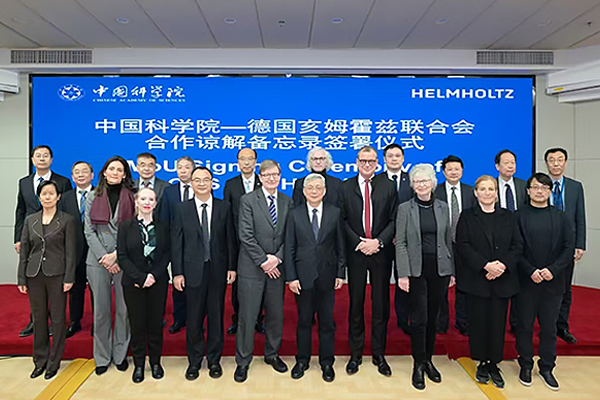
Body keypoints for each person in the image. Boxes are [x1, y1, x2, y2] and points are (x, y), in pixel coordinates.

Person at [456, 175, 523, 389]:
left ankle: (494, 363)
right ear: (476, 193)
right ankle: (482, 363)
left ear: (496, 193)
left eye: (491, 189)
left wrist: (501, 266)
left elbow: (517, 245)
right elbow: (463, 245)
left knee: (497, 323)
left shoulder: (508, 216)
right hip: (477, 279)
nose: (487, 193)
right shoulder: (467, 216)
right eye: (483, 189)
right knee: (478, 323)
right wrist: (485, 265)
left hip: (502, 279)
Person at [172, 167, 236, 381]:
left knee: (216, 317)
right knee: (194, 317)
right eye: (197, 180)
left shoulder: (224, 207)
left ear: (212, 182)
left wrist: (232, 267)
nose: (201, 183)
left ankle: (214, 360)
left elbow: (230, 240)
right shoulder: (182, 209)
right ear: (191, 183)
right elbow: (177, 242)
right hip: (192, 271)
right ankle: (195, 361)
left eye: (205, 180)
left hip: (218, 270)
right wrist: (177, 273)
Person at [395, 164, 454, 390]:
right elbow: (400, 243)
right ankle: (418, 363)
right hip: (416, 270)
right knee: (419, 318)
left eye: (425, 181)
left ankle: (429, 360)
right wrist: (403, 274)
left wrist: (451, 270)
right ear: (413, 185)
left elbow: (448, 240)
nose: (421, 185)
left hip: (439, 269)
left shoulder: (442, 207)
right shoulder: (405, 208)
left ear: (432, 183)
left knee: (433, 318)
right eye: (417, 182)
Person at [234, 160, 293, 383]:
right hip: (252, 268)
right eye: (267, 175)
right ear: (260, 177)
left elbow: (290, 235)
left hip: (277, 268)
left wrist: (276, 258)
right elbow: (245, 235)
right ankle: (243, 360)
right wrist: (263, 261)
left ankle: (272, 354)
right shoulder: (248, 200)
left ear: (280, 176)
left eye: (275, 174)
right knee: (247, 316)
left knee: (276, 315)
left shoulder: (287, 201)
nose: (271, 178)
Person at [340, 146, 397, 377]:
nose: (367, 165)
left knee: (380, 304)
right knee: (356, 303)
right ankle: (355, 354)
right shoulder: (346, 187)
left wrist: (378, 242)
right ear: (356, 161)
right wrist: (359, 242)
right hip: (356, 253)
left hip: (380, 252)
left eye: (371, 161)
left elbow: (394, 219)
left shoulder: (388, 186)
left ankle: (378, 354)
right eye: (363, 161)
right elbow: (342, 220)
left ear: (377, 163)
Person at [515, 173, 575, 391]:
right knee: (524, 326)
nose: (539, 191)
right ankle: (525, 364)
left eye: (544, 188)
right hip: (526, 281)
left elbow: (568, 248)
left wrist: (552, 270)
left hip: (553, 281)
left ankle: (547, 367)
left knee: (549, 328)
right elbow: (515, 248)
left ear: (550, 192)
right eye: (535, 187)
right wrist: (530, 270)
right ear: (528, 191)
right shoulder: (518, 216)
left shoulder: (562, 217)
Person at [285, 173, 346, 382]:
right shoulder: (294, 214)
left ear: (325, 191)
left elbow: (340, 246)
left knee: (327, 322)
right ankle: (302, 360)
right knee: (304, 321)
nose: (314, 191)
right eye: (310, 188)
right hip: (303, 277)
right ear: (303, 191)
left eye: (318, 188)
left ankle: (327, 362)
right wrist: (291, 277)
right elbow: (290, 247)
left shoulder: (335, 213)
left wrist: (340, 272)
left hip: (328, 276)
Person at [17, 180, 76, 379]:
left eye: (51, 193)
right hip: (34, 274)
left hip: (58, 274)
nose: (48, 197)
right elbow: (25, 250)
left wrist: (69, 277)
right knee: (38, 317)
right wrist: (21, 278)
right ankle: (40, 360)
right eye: (44, 194)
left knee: (58, 319)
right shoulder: (30, 220)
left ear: (58, 197)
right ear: (39, 197)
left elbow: (71, 252)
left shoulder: (67, 220)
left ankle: (53, 362)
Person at [84, 156, 136, 375]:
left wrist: (117, 255)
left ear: (124, 175)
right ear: (104, 172)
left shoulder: (132, 197)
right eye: (111, 169)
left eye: (119, 170)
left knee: (124, 310)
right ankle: (102, 357)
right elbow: (88, 230)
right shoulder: (91, 196)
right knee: (101, 311)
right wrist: (105, 257)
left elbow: (134, 230)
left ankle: (120, 354)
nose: (115, 172)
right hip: (98, 261)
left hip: (124, 260)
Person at [14, 145, 72, 337]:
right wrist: (18, 238)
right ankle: (36, 322)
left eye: (45, 155)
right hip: (31, 236)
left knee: (55, 285)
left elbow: (67, 211)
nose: (41, 159)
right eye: (37, 156)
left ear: (51, 159)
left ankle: (56, 323)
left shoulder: (63, 182)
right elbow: (20, 210)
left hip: (55, 238)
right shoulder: (24, 182)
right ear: (32, 160)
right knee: (34, 280)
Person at [117, 187, 171, 383]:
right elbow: (122, 256)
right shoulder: (125, 226)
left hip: (158, 282)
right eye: (143, 199)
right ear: (136, 202)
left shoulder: (164, 226)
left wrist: (153, 276)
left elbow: (167, 254)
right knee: (137, 324)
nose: (147, 203)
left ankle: (155, 363)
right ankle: (139, 364)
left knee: (156, 324)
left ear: (155, 204)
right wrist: (140, 278)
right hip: (133, 283)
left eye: (151, 199)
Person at [544, 147, 586, 344]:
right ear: (546, 164)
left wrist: (580, 244)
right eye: (552, 160)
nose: (556, 163)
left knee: (564, 289)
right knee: (542, 288)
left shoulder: (575, 187)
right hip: (543, 244)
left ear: (565, 163)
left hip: (567, 245)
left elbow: (580, 218)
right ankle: (544, 324)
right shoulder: (538, 185)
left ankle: (561, 326)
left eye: (560, 159)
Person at [223, 148, 264, 336]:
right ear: (237, 161)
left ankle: (258, 319)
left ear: (255, 161)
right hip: (237, 242)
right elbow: (227, 214)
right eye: (242, 159)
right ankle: (238, 318)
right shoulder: (230, 184)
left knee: (260, 281)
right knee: (238, 283)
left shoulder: (262, 182)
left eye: (250, 159)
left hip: (261, 242)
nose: (246, 162)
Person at [373, 143, 413, 335]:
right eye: (390, 156)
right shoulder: (376, 180)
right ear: (384, 159)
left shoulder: (411, 180)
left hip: (405, 241)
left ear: (403, 158)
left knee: (403, 280)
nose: (394, 159)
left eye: (398, 156)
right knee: (381, 283)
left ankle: (403, 319)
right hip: (382, 239)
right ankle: (381, 319)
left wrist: (402, 234)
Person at [434, 155, 476, 335]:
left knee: (464, 283)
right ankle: (441, 322)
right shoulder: (435, 191)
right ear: (443, 172)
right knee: (441, 284)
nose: (453, 172)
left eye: (457, 169)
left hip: (465, 244)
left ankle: (463, 321)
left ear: (462, 171)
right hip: (441, 243)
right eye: (449, 169)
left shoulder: (470, 191)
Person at [159, 155, 195, 334]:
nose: (183, 171)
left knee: (196, 284)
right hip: (175, 244)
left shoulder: (201, 188)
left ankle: (195, 319)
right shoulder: (169, 191)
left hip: (196, 245)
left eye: (187, 167)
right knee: (178, 282)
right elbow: (164, 218)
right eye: (180, 167)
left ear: (193, 170)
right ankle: (179, 319)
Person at [58, 161, 94, 338]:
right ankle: (75, 321)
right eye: (77, 172)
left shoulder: (100, 195)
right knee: (75, 288)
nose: (80, 175)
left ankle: (98, 322)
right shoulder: (65, 198)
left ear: (92, 175)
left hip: (95, 250)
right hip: (72, 249)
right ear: (72, 177)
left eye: (84, 171)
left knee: (97, 289)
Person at [495, 149, 527, 334]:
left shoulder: (524, 186)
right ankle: (497, 323)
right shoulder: (489, 186)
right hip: (498, 242)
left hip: (520, 242)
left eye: (513, 162)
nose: (510, 166)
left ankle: (516, 322)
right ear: (497, 166)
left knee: (519, 285)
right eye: (506, 163)